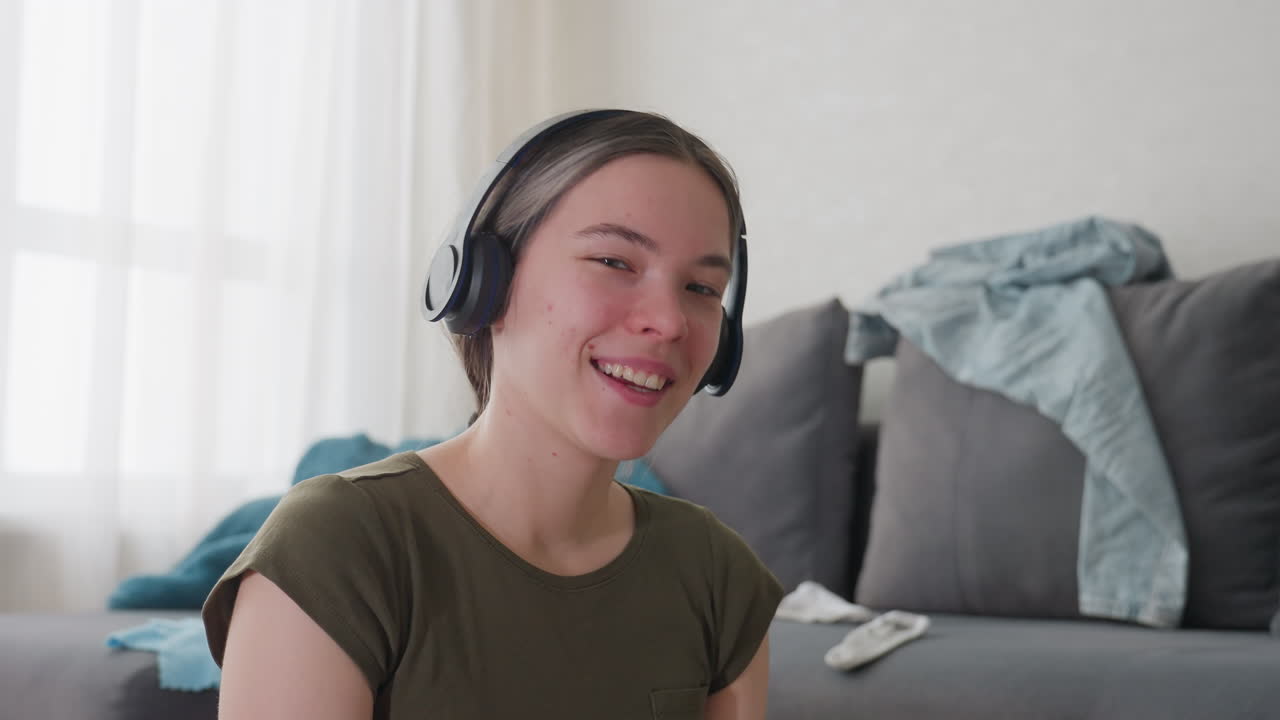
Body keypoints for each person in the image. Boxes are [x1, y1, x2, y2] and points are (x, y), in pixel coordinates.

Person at [202, 109, 784, 719]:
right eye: (615, 263)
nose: (668, 322)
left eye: (701, 290)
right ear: (484, 280)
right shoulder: (336, 548)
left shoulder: (719, 577)